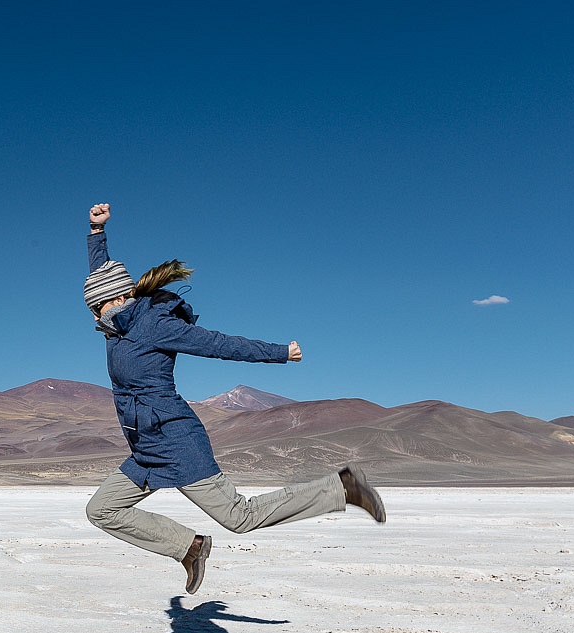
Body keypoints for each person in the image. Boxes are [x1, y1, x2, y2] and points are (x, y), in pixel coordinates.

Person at [82, 202, 385, 595]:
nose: (93, 318)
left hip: (175, 442)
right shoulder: (118, 326)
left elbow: (220, 345)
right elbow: (101, 274)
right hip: (144, 447)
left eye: (94, 308)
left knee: (239, 518)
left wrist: (280, 353)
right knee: (101, 509)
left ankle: (341, 488)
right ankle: (189, 548)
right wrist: (96, 233)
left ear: (112, 301)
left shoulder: (154, 325)